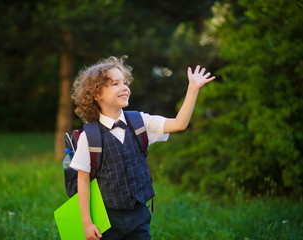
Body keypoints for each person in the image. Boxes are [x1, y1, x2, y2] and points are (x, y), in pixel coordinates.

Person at [70, 56, 215, 240]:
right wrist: (87, 223)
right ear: (97, 95)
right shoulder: (89, 137)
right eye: (115, 83)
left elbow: (179, 123)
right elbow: (82, 181)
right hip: (106, 219)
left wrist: (193, 89)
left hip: (139, 216)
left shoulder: (140, 122)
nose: (124, 87)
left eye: (124, 82)